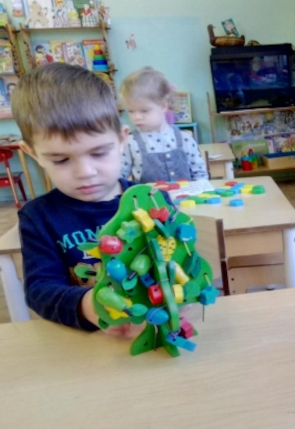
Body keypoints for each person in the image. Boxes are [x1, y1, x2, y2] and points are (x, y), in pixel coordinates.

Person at [12, 63, 141, 336]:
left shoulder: (150, 202)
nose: (85, 172)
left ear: (122, 140)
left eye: (99, 153)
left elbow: (179, 261)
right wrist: (87, 306)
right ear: (33, 153)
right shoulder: (38, 217)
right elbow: (39, 290)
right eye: (61, 160)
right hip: (86, 341)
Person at [119, 67, 208, 183]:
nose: (136, 117)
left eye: (144, 111)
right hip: (149, 196)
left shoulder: (185, 138)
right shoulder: (130, 142)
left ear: (163, 106)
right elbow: (119, 177)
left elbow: (200, 175)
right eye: (131, 111)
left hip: (187, 195)